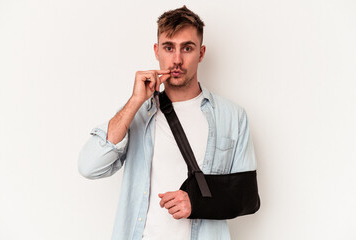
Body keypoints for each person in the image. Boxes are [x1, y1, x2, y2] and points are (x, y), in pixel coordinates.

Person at [78, 5, 258, 240]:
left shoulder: (232, 116)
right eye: (169, 47)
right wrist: (134, 101)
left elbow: (247, 197)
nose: (177, 60)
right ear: (156, 51)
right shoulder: (138, 112)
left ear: (201, 53)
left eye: (187, 48)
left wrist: (196, 202)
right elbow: (89, 166)